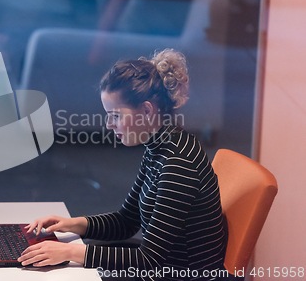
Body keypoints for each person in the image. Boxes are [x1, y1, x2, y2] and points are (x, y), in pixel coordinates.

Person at [18, 49, 227, 280]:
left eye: (115, 115)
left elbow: (148, 261)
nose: (108, 125)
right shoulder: (160, 146)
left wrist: (69, 251)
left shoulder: (176, 163)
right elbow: (127, 221)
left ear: (146, 111)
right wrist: (70, 224)